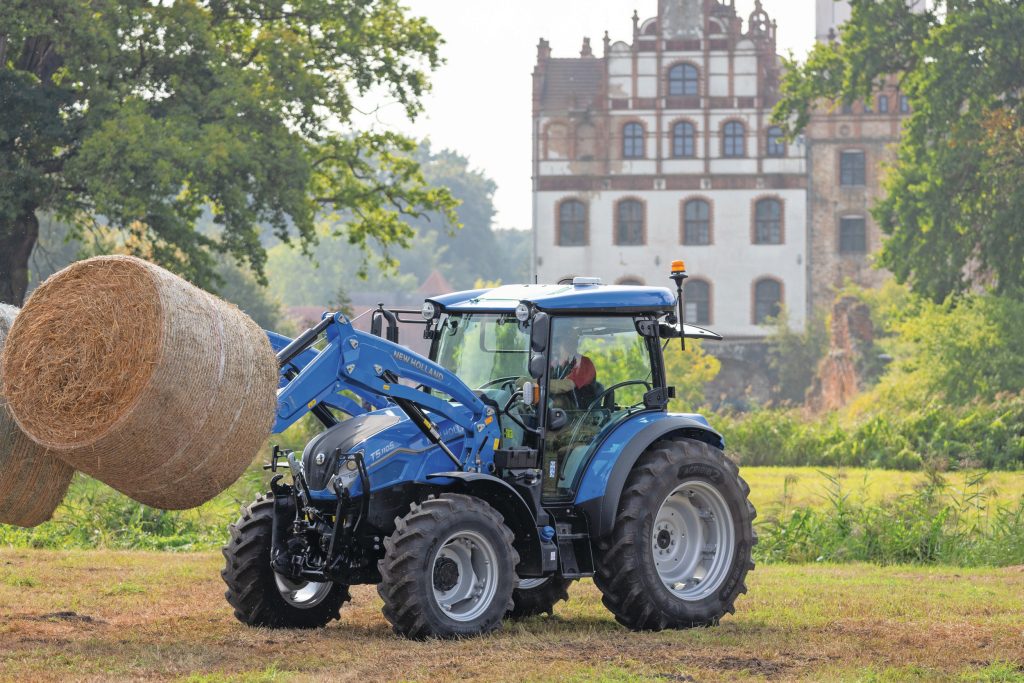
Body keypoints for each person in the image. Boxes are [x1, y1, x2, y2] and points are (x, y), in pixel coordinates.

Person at [548, 330, 597, 409]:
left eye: (572, 340)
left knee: (558, 403)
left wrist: (535, 384)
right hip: (559, 412)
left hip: (581, 415)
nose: (555, 345)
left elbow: (566, 386)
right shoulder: (555, 363)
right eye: (556, 341)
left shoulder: (583, 362)